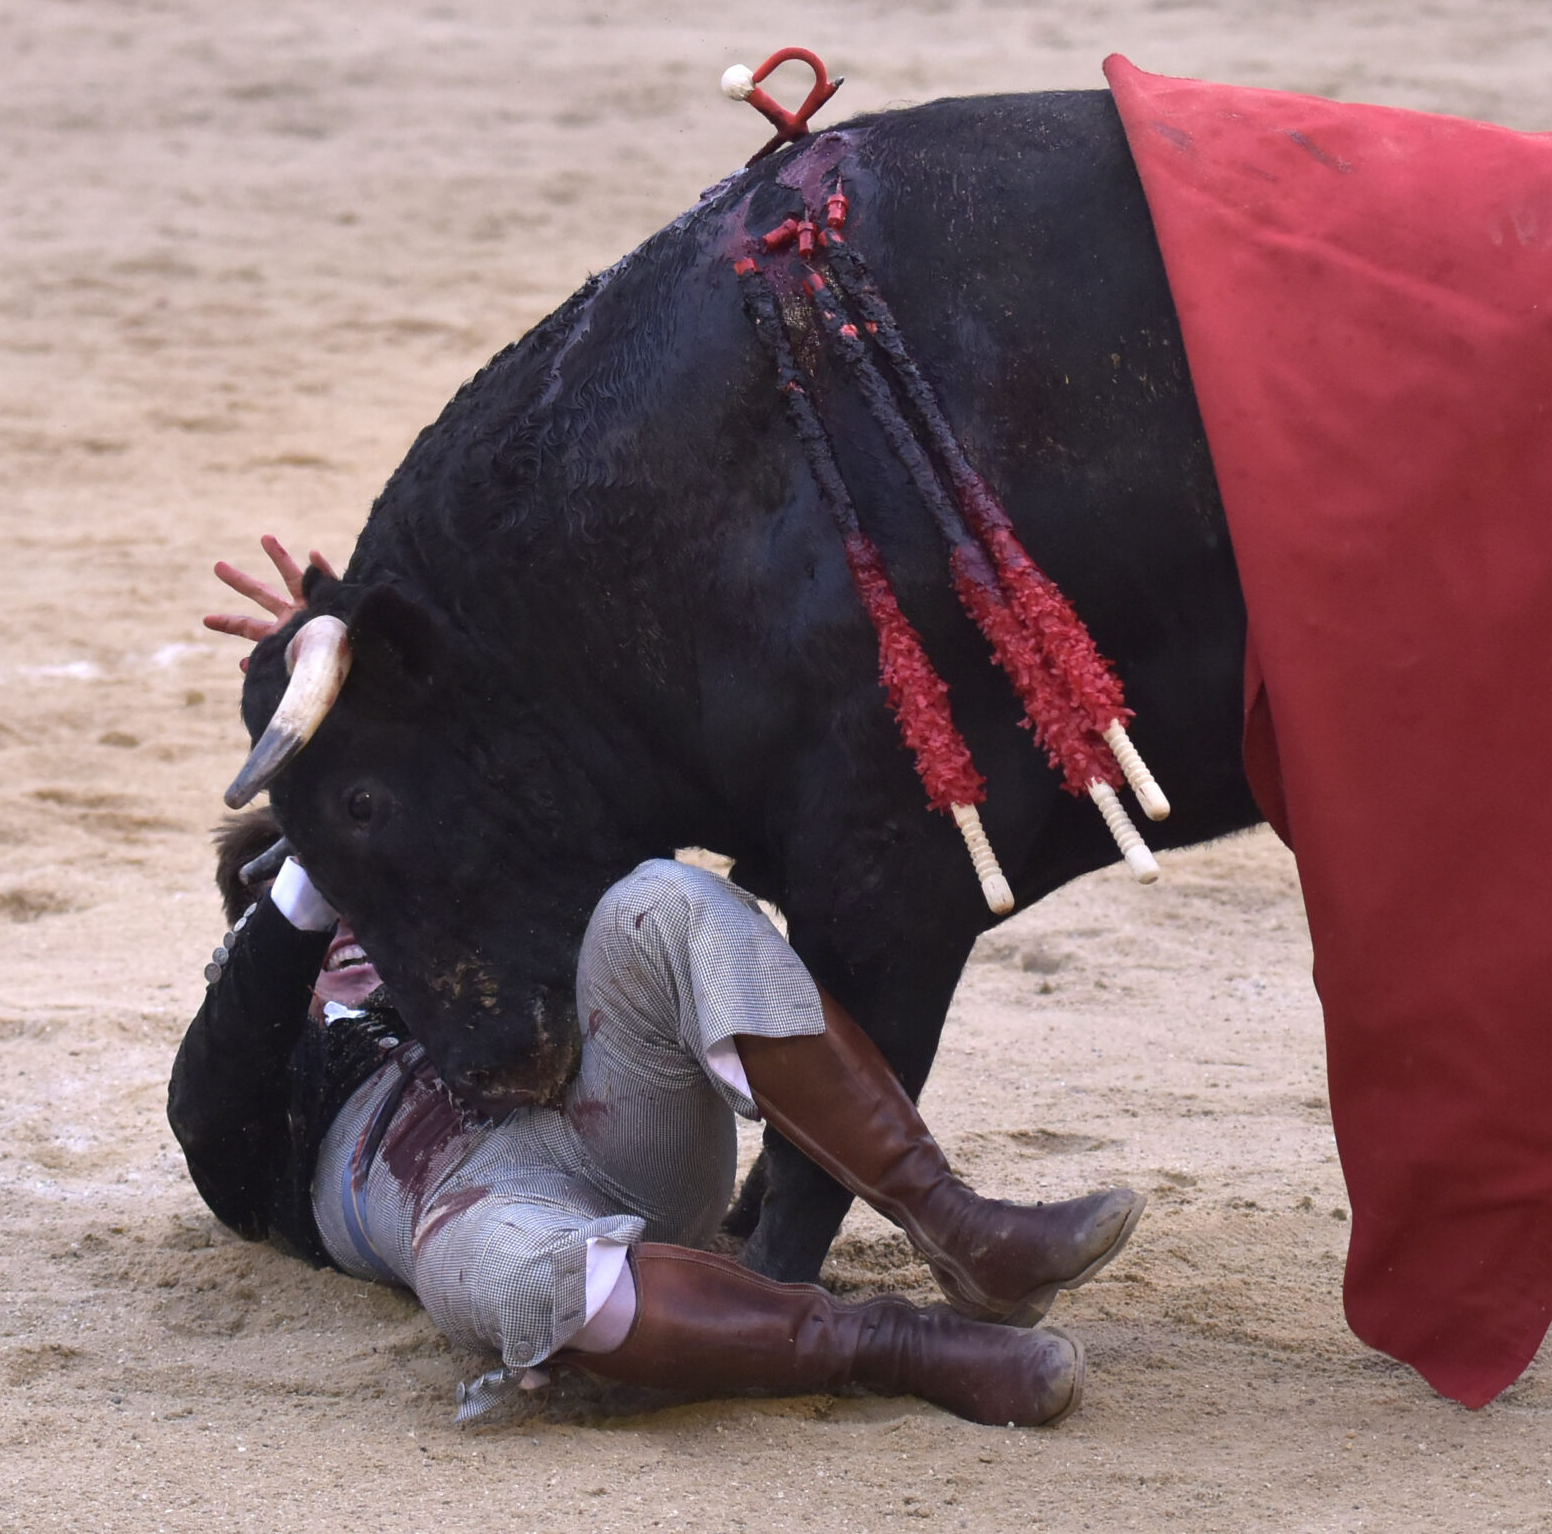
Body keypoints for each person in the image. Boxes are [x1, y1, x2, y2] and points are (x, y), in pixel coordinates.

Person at [172, 537, 1142, 1426]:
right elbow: (209, 1095)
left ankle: (957, 1228)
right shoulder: (263, 1094)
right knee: (522, 1286)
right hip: (477, 1214)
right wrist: (310, 851)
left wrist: (391, 701)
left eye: (368, 891)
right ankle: (894, 1344)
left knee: (657, 900)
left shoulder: (469, 953)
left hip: (613, 1134)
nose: (358, 920)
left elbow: (552, 795)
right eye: (329, 904)